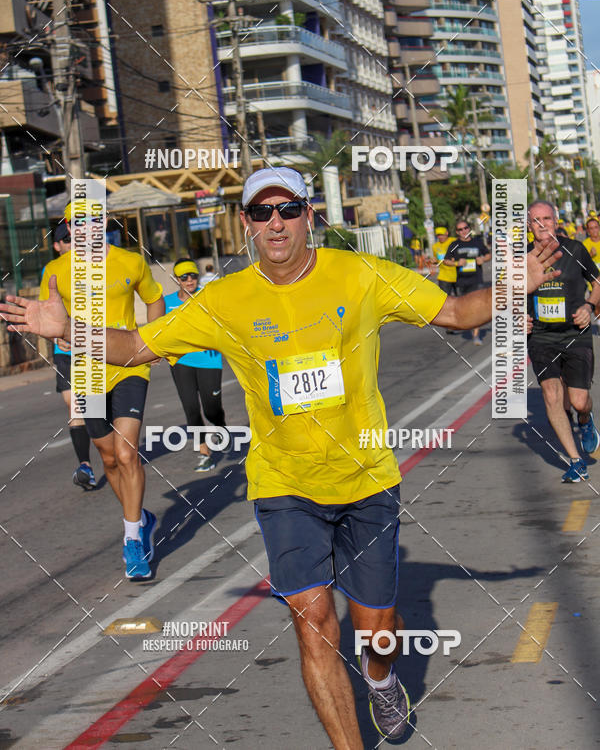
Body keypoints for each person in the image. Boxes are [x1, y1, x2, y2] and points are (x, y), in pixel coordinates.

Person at [1, 168, 560, 748]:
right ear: (245, 222)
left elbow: (457, 312)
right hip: (283, 486)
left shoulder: (359, 275)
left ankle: (380, 677)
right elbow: (138, 346)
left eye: (288, 210)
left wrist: (512, 284)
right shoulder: (225, 298)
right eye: (262, 212)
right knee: (313, 623)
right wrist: (70, 329)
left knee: (378, 633)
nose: (276, 222)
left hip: (367, 479)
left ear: (308, 216)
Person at [39, 201, 165, 579]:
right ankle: (139, 517)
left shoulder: (131, 262)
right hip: (87, 373)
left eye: (93, 219)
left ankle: (132, 539)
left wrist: (153, 341)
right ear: (68, 227)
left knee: (126, 453)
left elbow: (154, 298)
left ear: (105, 222)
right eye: (77, 222)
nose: (86, 227)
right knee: (108, 458)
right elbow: (49, 315)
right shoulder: (56, 271)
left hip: (129, 366)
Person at [528, 200, 600, 482]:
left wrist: (589, 307)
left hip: (574, 334)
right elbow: (506, 294)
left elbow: (597, 282)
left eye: (547, 218)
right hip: (541, 336)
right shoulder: (522, 257)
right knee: (551, 394)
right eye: (536, 220)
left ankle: (584, 419)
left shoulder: (575, 250)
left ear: (556, 221)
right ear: (529, 225)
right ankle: (576, 461)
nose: (542, 224)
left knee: (579, 401)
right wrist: (517, 317)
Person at [45, 222, 95, 489]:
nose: (71, 243)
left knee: (97, 409)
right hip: (64, 350)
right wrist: (56, 337)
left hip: (94, 346)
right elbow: (44, 311)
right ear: (56, 246)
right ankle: (85, 466)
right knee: (75, 406)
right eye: (66, 240)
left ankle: (113, 457)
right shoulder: (50, 271)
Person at [164, 258, 226, 472]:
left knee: (211, 407)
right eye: (184, 277)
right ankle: (204, 452)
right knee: (191, 408)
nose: (190, 280)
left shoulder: (207, 296)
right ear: (176, 279)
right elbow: (160, 330)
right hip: (181, 361)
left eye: (193, 276)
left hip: (209, 359)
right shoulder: (167, 303)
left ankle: (220, 424)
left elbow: (222, 323)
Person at [443, 219, 491, 346]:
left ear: (469, 229)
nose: (464, 231)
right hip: (461, 281)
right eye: (460, 229)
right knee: (464, 309)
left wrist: (483, 259)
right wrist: (456, 263)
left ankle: (476, 335)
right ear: (457, 232)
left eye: (465, 228)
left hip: (476, 279)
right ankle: (463, 325)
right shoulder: (455, 245)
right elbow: (446, 260)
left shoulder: (477, 242)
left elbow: (488, 255)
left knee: (477, 308)